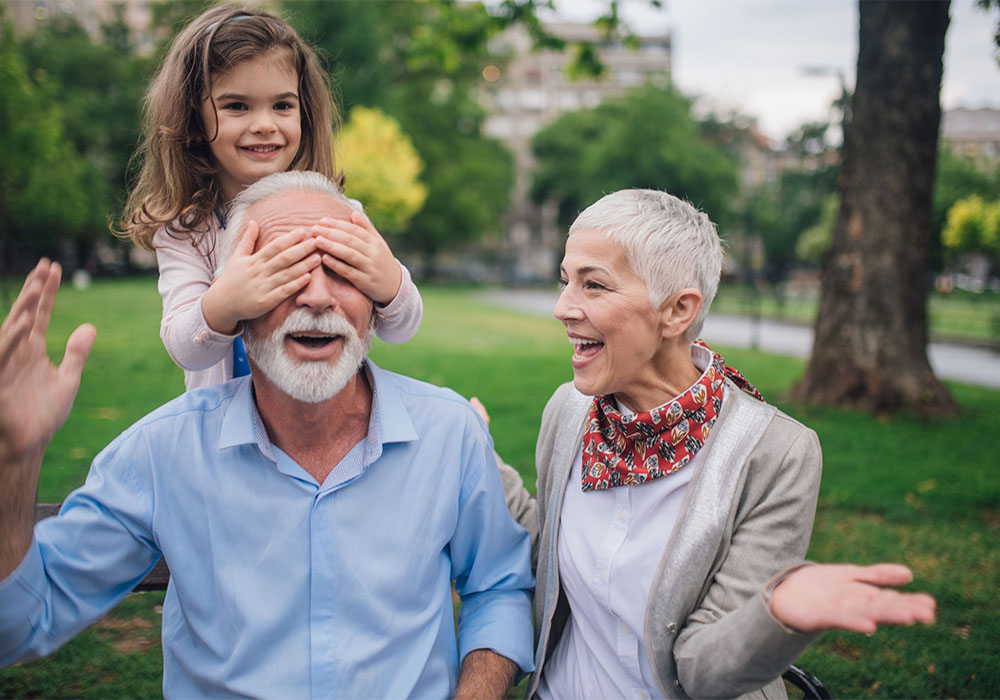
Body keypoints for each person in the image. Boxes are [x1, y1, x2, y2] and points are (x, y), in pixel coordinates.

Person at [0, 172, 534, 699]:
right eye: (284, 270)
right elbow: (21, 622)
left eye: (343, 270)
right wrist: (14, 461)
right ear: (235, 304)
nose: (318, 297)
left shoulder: (449, 434)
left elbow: (499, 588)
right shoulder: (162, 455)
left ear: (374, 300)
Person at [495, 189, 936, 699]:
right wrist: (473, 448)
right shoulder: (569, 410)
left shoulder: (777, 455)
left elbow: (704, 672)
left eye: (593, 284)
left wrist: (776, 615)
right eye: (565, 280)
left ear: (677, 311)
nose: (562, 307)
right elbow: (547, 554)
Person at [120, 4, 422, 390]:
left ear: (304, 114)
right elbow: (187, 350)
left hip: (325, 415)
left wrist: (389, 282)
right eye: (237, 106)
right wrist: (227, 302)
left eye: (282, 105)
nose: (264, 125)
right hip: (226, 422)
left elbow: (403, 328)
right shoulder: (187, 231)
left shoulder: (337, 214)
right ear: (195, 119)